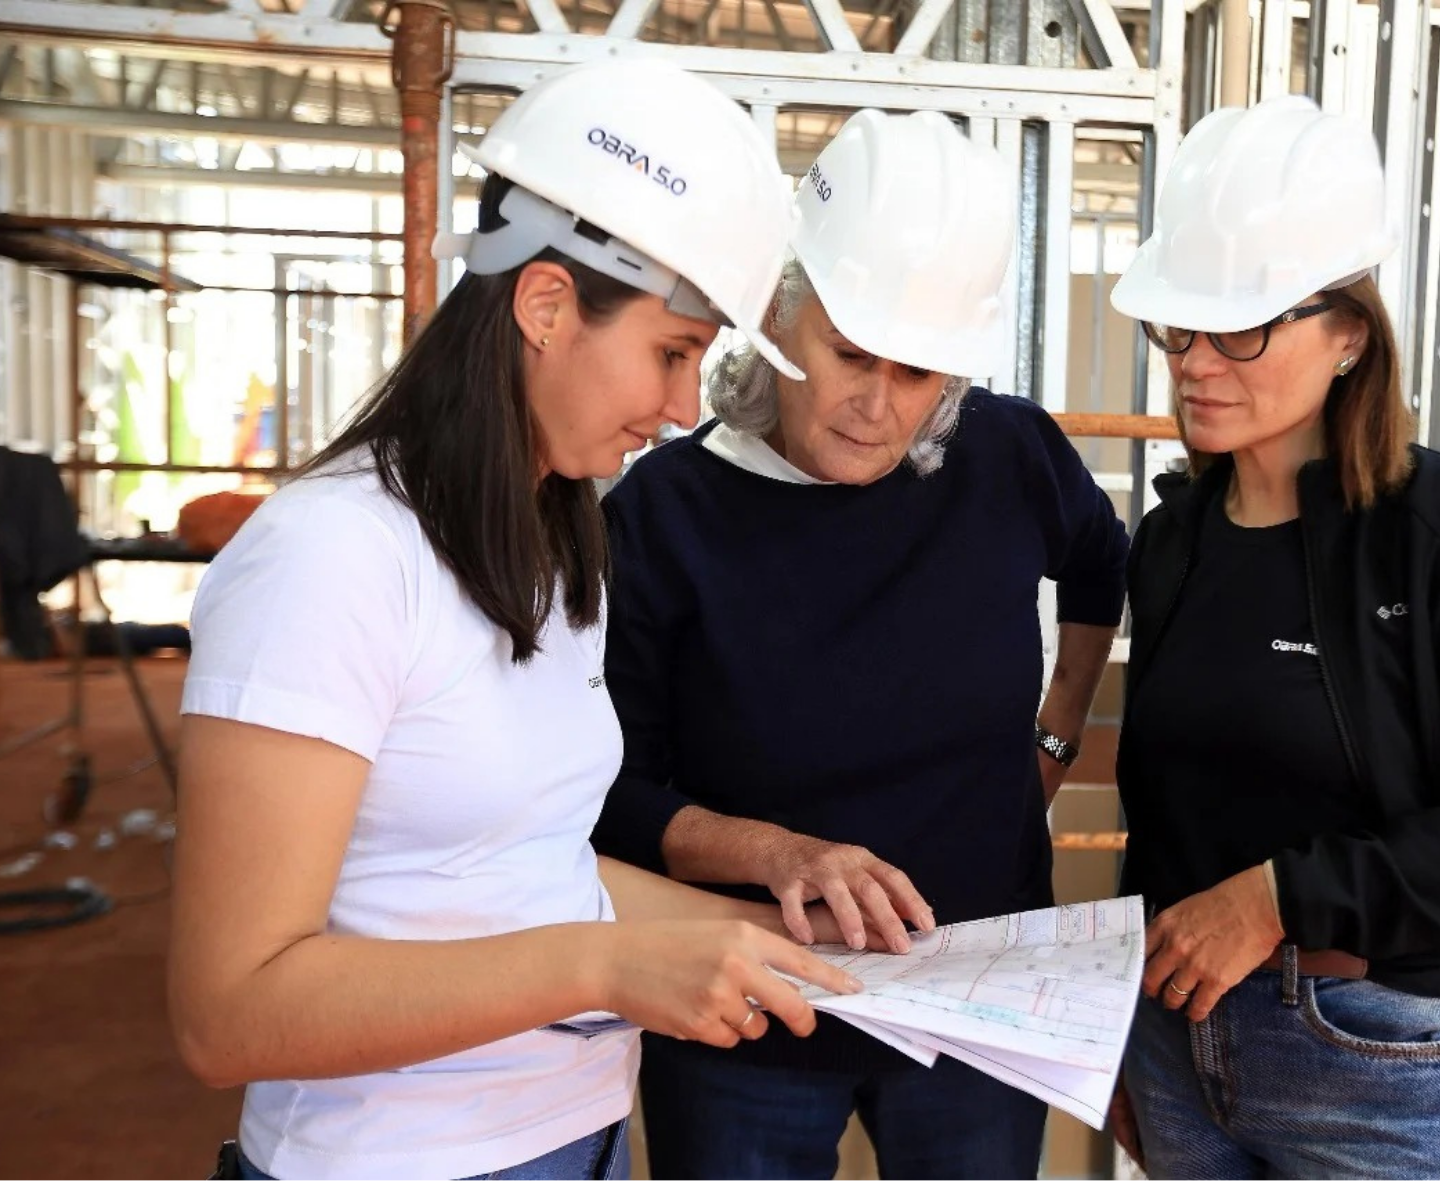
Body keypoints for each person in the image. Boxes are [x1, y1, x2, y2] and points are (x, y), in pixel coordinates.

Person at [166, 60, 860, 1181]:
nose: (682, 408)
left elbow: (529, 869)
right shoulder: (333, 556)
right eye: (672, 353)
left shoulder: (550, 535)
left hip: (576, 1137)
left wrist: (771, 936)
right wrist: (602, 967)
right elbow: (230, 1011)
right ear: (544, 305)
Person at [591, 109, 1130, 1179]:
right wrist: (779, 853)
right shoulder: (662, 514)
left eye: (919, 372)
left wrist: (1056, 735)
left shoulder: (1007, 452)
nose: (877, 406)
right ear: (780, 310)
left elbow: (1099, 561)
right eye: (848, 353)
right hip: (746, 997)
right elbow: (612, 792)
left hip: (975, 993)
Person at [1104, 94, 1440, 1179]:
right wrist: (1119, 1028)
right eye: (1176, 326)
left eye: (1240, 327)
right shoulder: (1170, 542)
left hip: (1388, 1061)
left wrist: (1281, 896)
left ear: (1348, 334)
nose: (1195, 361)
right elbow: (1163, 823)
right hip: (1178, 1046)